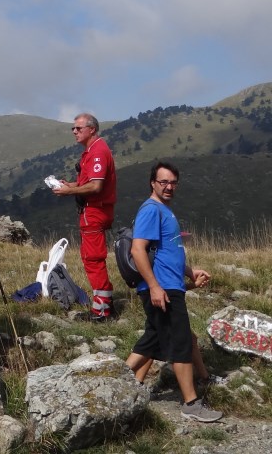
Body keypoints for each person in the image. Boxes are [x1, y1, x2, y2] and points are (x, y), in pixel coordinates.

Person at [124, 161, 223, 423]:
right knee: (179, 342)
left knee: (154, 340)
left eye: (173, 182)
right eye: (163, 182)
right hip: (162, 287)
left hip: (169, 285)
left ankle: (119, 383)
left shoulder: (165, 210)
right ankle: (191, 403)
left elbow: (169, 253)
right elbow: (137, 250)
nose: (168, 187)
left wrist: (190, 273)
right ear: (152, 183)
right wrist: (155, 287)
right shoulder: (151, 210)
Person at [53, 113, 116, 321]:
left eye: (78, 128)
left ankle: (102, 310)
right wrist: (71, 185)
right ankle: (103, 304)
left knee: (93, 259)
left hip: (94, 210)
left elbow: (96, 186)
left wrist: (68, 192)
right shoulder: (91, 151)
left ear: (92, 129)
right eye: (73, 128)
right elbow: (88, 181)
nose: (74, 131)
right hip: (93, 209)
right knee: (92, 257)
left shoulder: (97, 151)